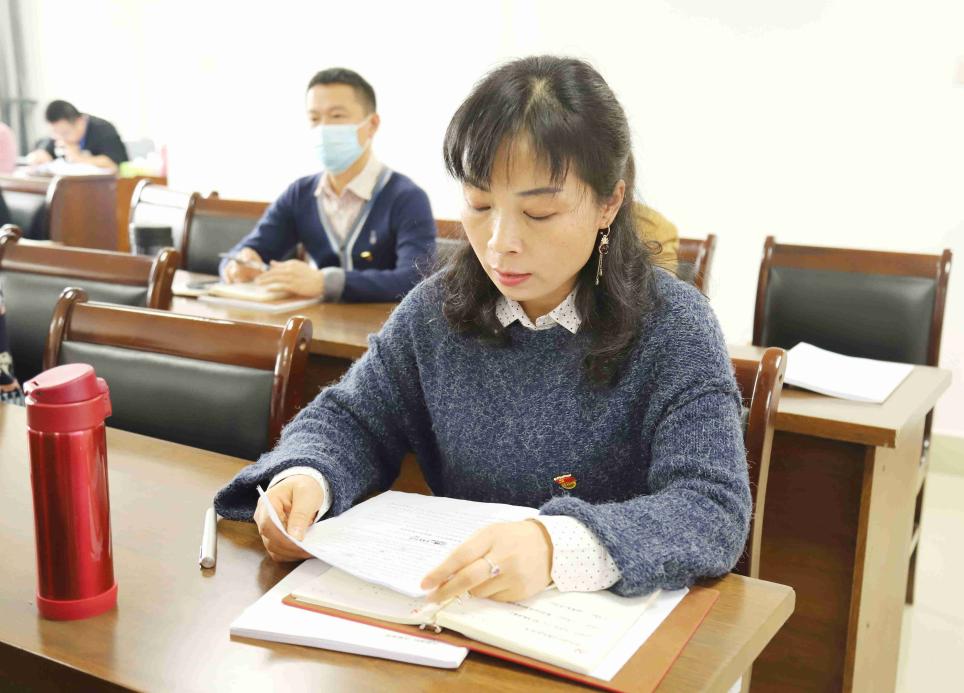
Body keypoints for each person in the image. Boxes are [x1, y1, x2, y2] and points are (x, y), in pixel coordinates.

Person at [214, 56, 749, 602]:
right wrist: (308, 477)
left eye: (539, 213)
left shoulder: (674, 325)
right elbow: (351, 418)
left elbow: (711, 506)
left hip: (602, 619)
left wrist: (559, 546)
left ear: (609, 201)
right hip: (455, 607)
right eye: (479, 203)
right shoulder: (437, 310)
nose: (500, 242)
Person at [220, 68, 436, 303]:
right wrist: (237, 265)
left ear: (372, 124)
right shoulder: (299, 194)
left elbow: (416, 280)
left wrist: (325, 282)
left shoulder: (407, 198)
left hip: (386, 323)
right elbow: (245, 251)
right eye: (314, 118)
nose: (323, 128)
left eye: (337, 116)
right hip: (317, 321)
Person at [26, 100, 128, 171]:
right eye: (55, 133)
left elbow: (114, 165)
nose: (60, 138)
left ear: (80, 122)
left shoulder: (104, 130)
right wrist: (40, 156)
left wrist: (79, 158)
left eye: (65, 133)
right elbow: (43, 151)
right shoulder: (59, 134)